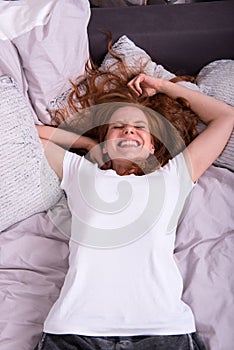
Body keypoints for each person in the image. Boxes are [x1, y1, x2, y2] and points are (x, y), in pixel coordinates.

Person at [35, 62, 233, 350]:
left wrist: (162, 86)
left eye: (140, 127)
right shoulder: (82, 173)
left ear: (153, 146)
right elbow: (28, 135)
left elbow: (225, 117)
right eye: (118, 127)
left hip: (163, 331)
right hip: (75, 330)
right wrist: (87, 144)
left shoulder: (173, 178)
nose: (129, 131)